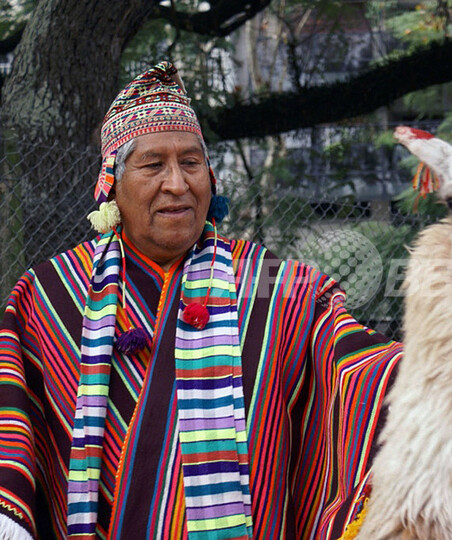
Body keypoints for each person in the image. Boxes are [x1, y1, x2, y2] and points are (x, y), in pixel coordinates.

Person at [0, 62, 401, 539]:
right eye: (153, 165)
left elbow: (356, 362)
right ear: (111, 182)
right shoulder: (50, 293)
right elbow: (13, 422)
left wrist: (444, 377)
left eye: (191, 163)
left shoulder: (276, 283)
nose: (177, 183)